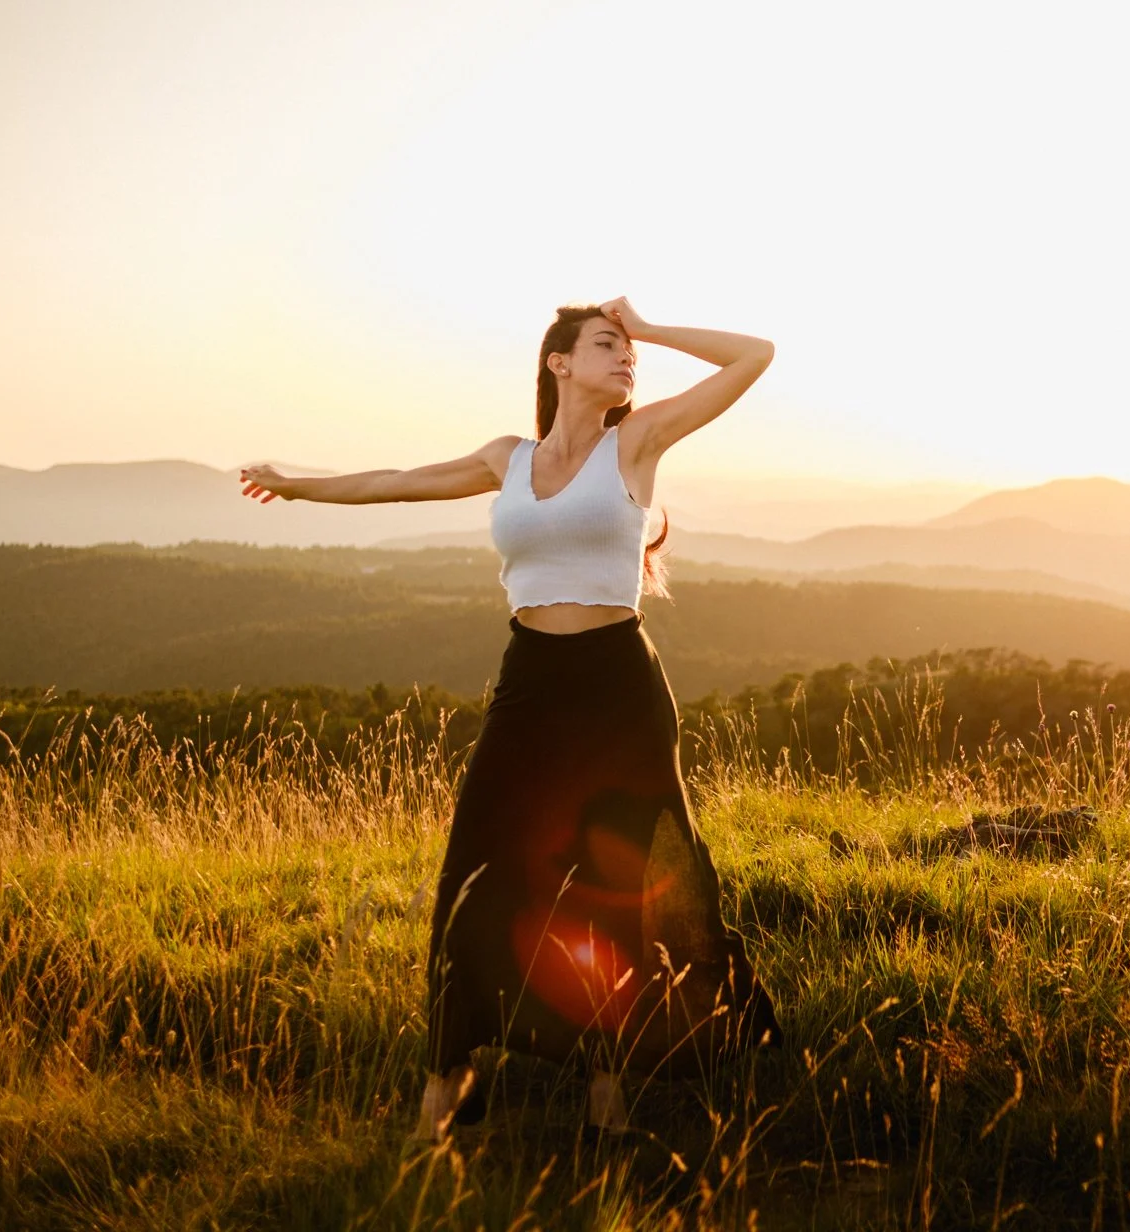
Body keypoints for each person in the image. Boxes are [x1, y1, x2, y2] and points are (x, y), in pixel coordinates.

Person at [238, 297, 783, 1143]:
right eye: (608, 345)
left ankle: (606, 1102)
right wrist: (296, 482)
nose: (628, 358)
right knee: (477, 879)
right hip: (529, 682)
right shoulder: (509, 458)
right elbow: (395, 483)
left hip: (619, 694)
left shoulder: (635, 444)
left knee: (608, 888)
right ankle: (445, 1095)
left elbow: (755, 354)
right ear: (558, 363)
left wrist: (650, 325)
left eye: (630, 351)